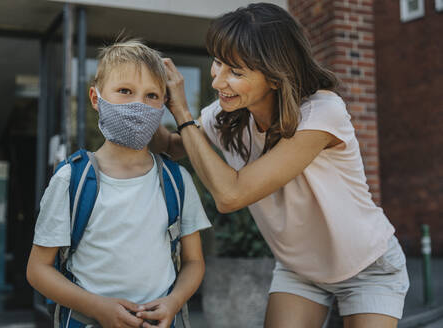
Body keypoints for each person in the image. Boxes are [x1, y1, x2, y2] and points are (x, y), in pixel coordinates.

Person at [148, 3, 409, 328]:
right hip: (299, 268)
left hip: (367, 265)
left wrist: (183, 112)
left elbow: (231, 195)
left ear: (274, 76)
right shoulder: (225, 115)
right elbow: (175, 145)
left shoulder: (321, 113)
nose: (218, 81)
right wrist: (142, 104)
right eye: (217, 62)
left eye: (236, 72)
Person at [26, 39, 211, 328]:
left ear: (164, 105)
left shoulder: (177, 181)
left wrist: (173, 302)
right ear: (95, 98)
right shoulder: (70, 179)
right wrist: (98, 308)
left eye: (152, 95)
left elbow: (194, 262)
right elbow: (38, 270)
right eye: (125, 91)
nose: (139, 104)